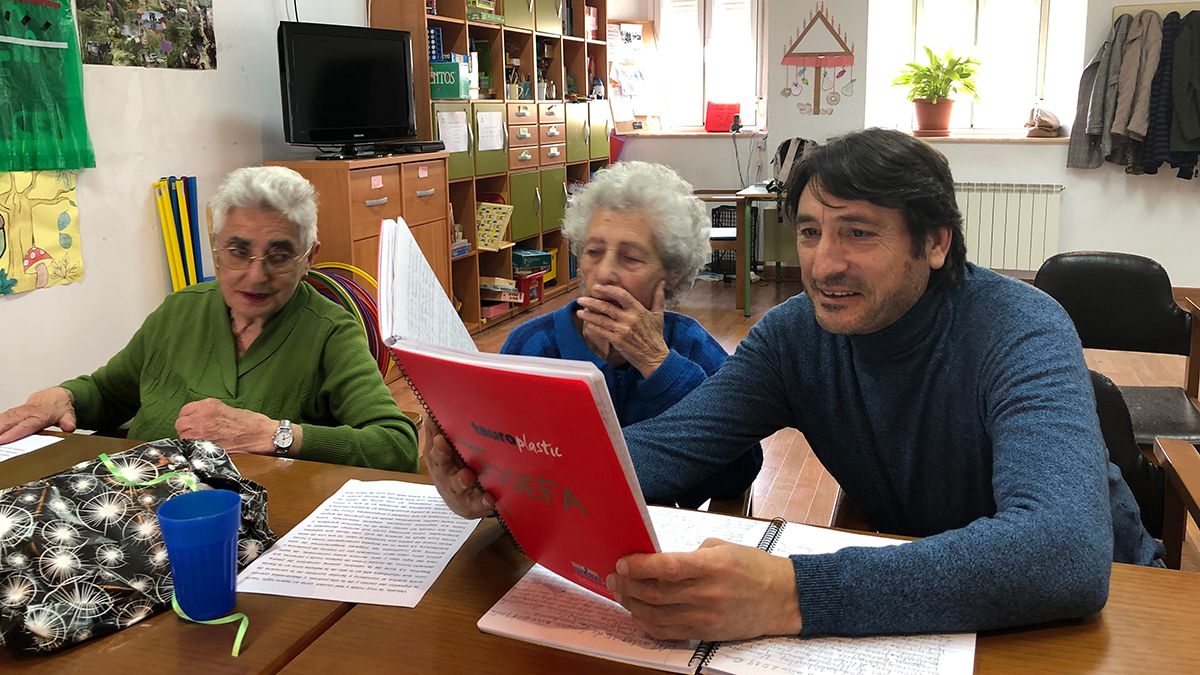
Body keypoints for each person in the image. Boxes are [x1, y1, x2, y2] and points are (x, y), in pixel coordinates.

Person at [429, 128, 1161, 641]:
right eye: (810, 232)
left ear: (936, 242)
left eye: (858, 232)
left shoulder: (1022, 328)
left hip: (1108, 613)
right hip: (925, 608)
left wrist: (791, 591)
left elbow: (1061, 552)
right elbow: (666, 449)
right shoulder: (794, 337)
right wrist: (498, 471)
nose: (824, 263)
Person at [0, 166, 418, 471]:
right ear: (216, 249)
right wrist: (64, 397)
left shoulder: (329, 331)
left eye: (279, 254)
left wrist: (274, 435)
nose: (255, 274)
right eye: (238, 251)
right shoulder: (180, 310)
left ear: (309, 257)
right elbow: (109, 394)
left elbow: (395, 444)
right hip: (134, 504)